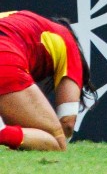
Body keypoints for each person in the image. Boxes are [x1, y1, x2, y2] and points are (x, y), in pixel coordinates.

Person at [0, 10, 94, 151]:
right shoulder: (66, 40)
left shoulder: (14, 17)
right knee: (56, 141)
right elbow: (67, 122)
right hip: (5, 59)